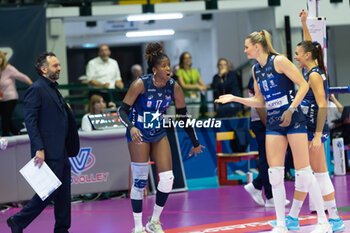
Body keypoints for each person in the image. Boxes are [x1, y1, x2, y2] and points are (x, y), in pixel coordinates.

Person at [215, 30, 331, 233]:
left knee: (303, 173)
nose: (244, 49)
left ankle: (323, 222)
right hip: (274, 123)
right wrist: (235, 98)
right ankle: (280, 225)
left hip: (293, 119)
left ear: (257, 46)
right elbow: (260, 100)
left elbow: (303, 85)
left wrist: (291, 108)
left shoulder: (279, 61)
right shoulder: (255, 70)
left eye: (246, 46)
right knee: (274, 174)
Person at [118, 42, 205, 233]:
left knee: (167, 179)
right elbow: (122, 110)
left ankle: (154, 221)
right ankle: (138, 226)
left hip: (158, 133)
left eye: (169, 65)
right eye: (164, 66)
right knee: (140, 181)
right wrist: (131, 127)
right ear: (155, 69)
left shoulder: (174, 87)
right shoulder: (141, 84)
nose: (168, 68)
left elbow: (183, 116)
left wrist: (195, 142)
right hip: (139, 132)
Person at [280, 10, 345, 232]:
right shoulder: (313, 65)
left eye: (297, 54)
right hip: (307, 129)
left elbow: (323, 105)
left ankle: (329, 219)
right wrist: (304, 23)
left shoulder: (315, 75)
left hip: (313, 130)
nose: (295, 57)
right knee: (309, 174)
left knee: (314, 175)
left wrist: (317, 135)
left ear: (307, 56)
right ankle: (295, 218)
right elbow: (310, 43)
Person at [7, 52, 80, 233]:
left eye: (59, 65)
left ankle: (62, 229)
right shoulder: (37, 89)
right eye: (55, 65)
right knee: (47, 192)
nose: (59, 68)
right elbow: (30, 121)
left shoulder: (53, 89)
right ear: (44, 69)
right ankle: (18, 220)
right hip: (48, 150)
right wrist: (39, 148)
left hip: (61, 150)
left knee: (63, 194)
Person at [0, 51, 32, 136]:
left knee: (5, 120)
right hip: (2, 99)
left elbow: (22, 76)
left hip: (11, 97)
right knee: (6, 119)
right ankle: (17, 134)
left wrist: (32, 85)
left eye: (0, 58)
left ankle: (5, 142)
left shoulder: (9, 68)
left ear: (3, 59)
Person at [176, 52, 207, 119]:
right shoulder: (180, 71)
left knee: (195, 119)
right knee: (187, 120)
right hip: (185, 99)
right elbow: (183, 85)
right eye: (186, 58)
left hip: (195, 98)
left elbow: (202, 84)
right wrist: (197, 86)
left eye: (189, 57)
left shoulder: (195, 71)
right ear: (182, 60)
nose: (188, 59)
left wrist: (204, 86)